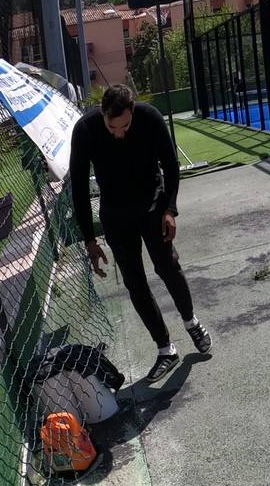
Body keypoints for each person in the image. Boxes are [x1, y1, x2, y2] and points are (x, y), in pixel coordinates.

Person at [70, 85, 210, 383]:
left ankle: (191, 321)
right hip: (116, 214)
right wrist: (89, 240)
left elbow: (172, 166)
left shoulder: (149, 118)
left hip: (152, 206)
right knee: (135, 282)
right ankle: (165, 348)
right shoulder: (85, 130)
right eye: (112, 126)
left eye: (124, 126)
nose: (118, 133)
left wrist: (170, 210)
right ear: (103, 114)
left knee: (167, 266)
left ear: (133, 110)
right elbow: (79, 188)